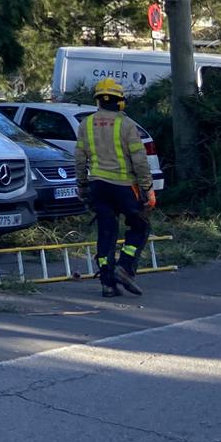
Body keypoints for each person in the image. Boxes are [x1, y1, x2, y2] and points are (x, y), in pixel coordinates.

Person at [74, 77, 155, 298]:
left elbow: (80, 160)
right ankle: (125, 267)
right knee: (140, 227)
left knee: (106, 234)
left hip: (98, 188)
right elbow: (139, 161)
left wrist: (82, 186)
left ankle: (108, 284)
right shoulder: (126, 124)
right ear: (120, 102)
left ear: (98, 101)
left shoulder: (86, 124)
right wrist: (147, 188)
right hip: (124, 188)